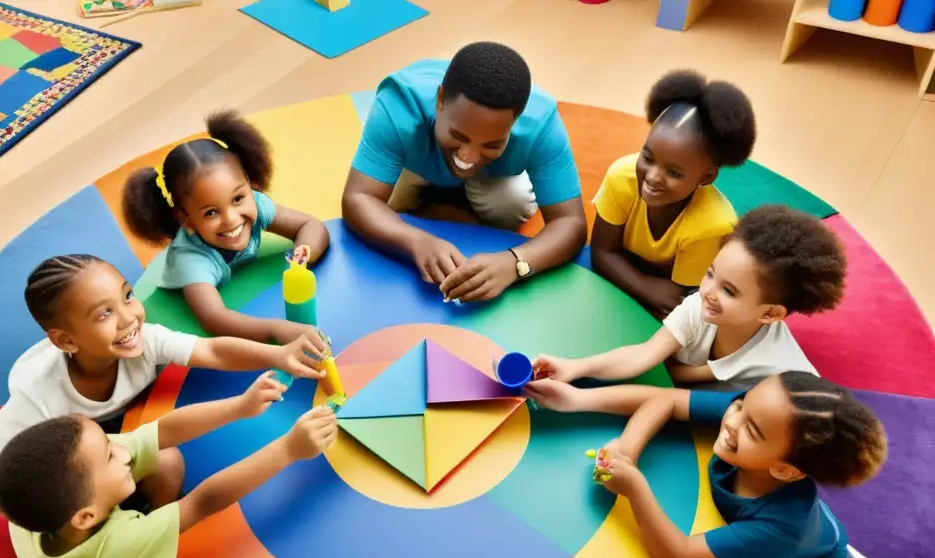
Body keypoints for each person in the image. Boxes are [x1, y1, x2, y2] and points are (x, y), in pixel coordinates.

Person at [0, 254, 329, 512]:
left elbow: (213, 352)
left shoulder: (140, 339)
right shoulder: (39, 398)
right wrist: (55, 508)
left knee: (168, 464)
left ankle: (157, 526)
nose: (129, 317)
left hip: (116, 428)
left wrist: (277, 355)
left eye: (128, 296)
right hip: (75, 447)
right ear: (66, 341)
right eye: (104, 314)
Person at [573, 372, 906, 558]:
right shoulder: (756, 418)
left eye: (751, 429)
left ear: (784, 470)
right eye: (741, 404)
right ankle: (832, 542)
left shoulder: (778, 526)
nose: (732, 419)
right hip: (798, 528)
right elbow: (667, 400)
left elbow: (676, 556)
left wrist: (635, 487)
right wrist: (627, 452)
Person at [0, 371, 338, 558]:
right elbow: (203, 502)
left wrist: (240, 406)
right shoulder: (115, 545)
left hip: (68, 537)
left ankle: (143, 538)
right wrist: (289, 449)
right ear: (86, 516)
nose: (121, 451)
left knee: (167, 458)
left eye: (108, 444)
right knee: (119, 555)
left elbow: (162, 431)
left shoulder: (47, 494)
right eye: (110, 457)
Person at [342, 42, 587, 303]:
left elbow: (571, 222)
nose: (468, 156)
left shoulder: (542, 125)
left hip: (494, 178)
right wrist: (416, 241)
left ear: (516, 122)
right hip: (416, 162)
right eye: (458, 136)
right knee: (391, 202)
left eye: (492, 144)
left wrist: (514, 263)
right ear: (439, 101)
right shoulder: (398, 106)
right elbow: (358, 197)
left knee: (512, 203)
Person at [527, 205, 844, 401]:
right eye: (710, 273)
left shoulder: (784, 372)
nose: (708, 291)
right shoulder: (701, 305)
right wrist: (574, 367)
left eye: (730, 291)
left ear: (771, 313)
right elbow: (645, 354)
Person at [123, 109, 329, 343]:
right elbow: (214, 318)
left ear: (249, 185)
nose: (231, 219)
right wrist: (276, 329)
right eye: (211, 212)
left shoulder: (254, 203)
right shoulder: (191, 260)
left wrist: (304, 253)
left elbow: (311, 225)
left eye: (238, 198)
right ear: (185, 219)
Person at [592, 70, 756, 318]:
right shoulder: (621, 177)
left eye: (674, 173)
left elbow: (675, 295)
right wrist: (645, 287)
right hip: (629, 277)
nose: (653, 176)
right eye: (647, 157)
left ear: (706, 177)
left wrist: (637, 282)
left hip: (669, 293)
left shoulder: (714, 224)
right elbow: (601, 252)